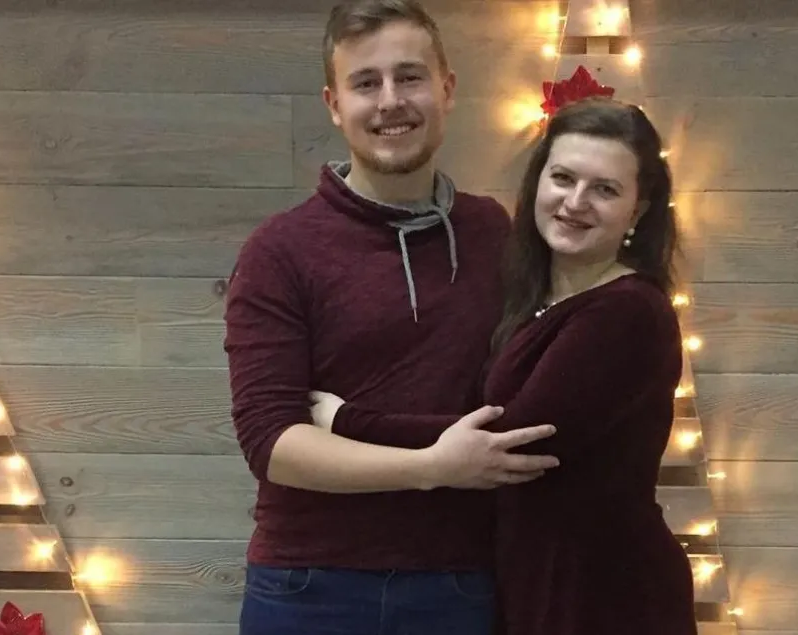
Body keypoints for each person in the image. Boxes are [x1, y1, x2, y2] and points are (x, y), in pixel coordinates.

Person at [222, 1, 561, 634]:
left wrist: (352, 423)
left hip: (459, 583)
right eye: (365, 83)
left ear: (447, 89)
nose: (390, 101)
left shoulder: (497, 234)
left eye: (409, 77)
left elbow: (522, 401)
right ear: (333, 104)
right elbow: (273, 442)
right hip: (308, 586)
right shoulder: (279, 250)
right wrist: (432, 467)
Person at [311, 96, 697, 635]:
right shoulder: (534, 297)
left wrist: (346, 420)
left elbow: (509, 440)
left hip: (604, 592)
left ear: (637, 210)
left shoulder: (626, 312)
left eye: (605, 189)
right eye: (563, 178)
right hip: (535, 577)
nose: (576, 202)